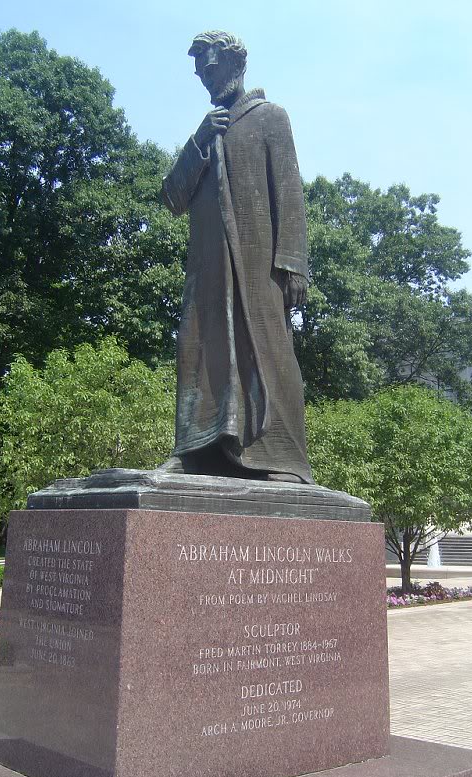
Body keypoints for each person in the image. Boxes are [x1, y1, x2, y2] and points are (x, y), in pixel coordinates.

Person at [160, 30, 313, 484]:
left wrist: (293, 263)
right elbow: (172, 197)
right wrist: (199, 140)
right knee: (198, 351)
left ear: (235, 63)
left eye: (210, 69)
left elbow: (290, 192)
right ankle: (197, 449)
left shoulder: (269, 117)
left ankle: (281, 459)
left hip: (258, 264)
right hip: (208, 269)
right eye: (199, 74)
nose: (206, 80)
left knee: (269, 350)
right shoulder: (208, 130)